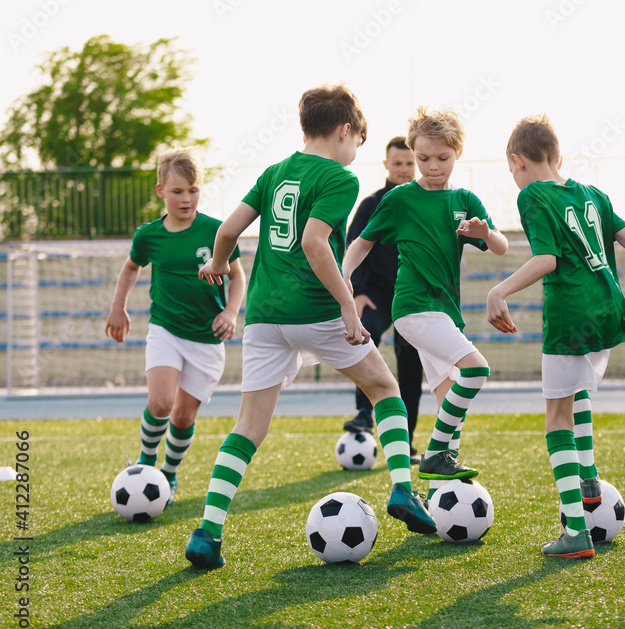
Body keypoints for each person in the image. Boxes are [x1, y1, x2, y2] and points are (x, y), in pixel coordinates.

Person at [184, 84, 436, 570]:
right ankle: (404, 489)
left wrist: (217, 262)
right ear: (346, 131)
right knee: (386, 387)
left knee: (249, 426)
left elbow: (227, 232)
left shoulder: (275, 172)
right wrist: (346, 306)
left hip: (262, 316)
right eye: (358, 141)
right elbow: (316, 244)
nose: (356, 152)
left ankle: (208, 532)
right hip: (316, 311)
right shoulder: (339, 178)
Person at [486, 115, 625, 558]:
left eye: (512, 171)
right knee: (578, 393)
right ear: (557, 156)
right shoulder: (592, 193)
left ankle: (576, 533)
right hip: (610, 309)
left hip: (571, 313)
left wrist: (499, 290)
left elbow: (546, 259)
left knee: (556, 419)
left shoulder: (532, 195)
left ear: (517, 160)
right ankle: (588, 479)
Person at [342, 107, 508, 500]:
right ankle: (436, 454)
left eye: (442, 158)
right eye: (423, 158)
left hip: (445, 310)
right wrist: (344, 277)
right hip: (413, 308)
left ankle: (440, 486)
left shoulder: (465, 199)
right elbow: (363, 241)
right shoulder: (400, 199)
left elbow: (500, 246)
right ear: (414, 153)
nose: (432, 166)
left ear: (458, 152)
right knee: (476, 370)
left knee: (447, 391)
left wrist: (486, 232)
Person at [106, 147, 246, 506]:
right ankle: (146, 461)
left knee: (183, 416)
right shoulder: (149, 235)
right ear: (160, 192)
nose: (186, 198)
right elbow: (131, 268)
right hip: (165, 330)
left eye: (193, 190)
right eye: (177, 191)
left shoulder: (217, 231)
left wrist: (231, 311)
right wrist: (118, 308)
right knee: (161, 401)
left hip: (207, 339)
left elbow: (238, 275)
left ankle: (168, 473)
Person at [343, 136, 424, 463]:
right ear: (386, 165)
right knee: (366, 335)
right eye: (398, 163)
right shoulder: (371, 204)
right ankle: (365, 412)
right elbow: (352, 244)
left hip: (409, 294)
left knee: (410, 364)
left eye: (409, 163)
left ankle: (407, 439)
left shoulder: (424, 201)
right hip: (375, 292)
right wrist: (358, 292)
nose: (404, 169)